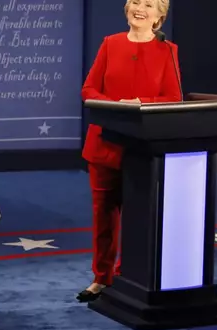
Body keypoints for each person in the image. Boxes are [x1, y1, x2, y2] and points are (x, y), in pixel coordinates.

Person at [77, 0, 181, 302]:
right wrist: (114, 106)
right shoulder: (110, 44)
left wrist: (141, 102)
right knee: (104, 216)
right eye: (135, 1)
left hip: (142, 149)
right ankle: (101, 277)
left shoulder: (168, 51)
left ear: (159, 16)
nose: (140, 8)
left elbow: (173, 97)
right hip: (104, 145)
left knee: (138, 215)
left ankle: (128, 274)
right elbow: (89, 90)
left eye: (149, 4)